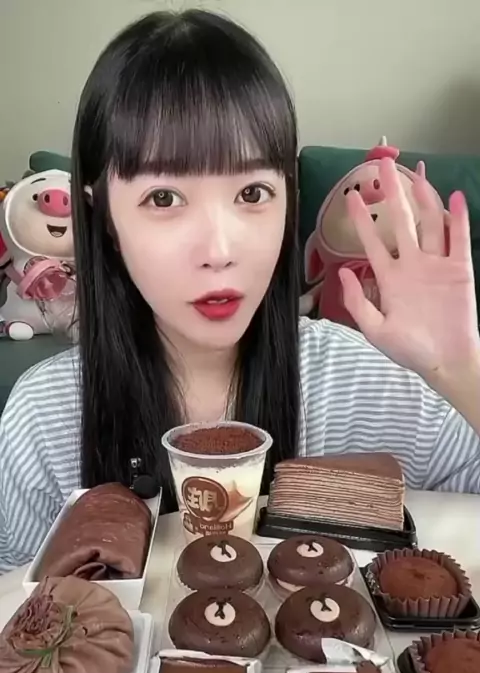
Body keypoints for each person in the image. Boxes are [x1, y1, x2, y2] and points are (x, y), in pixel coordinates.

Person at [1, 9, 480, 572]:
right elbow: (19, 600)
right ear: (103, 215)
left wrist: (461, 370)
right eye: (164, 199)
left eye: (252, 193)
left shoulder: (357, 379)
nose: (220, 249)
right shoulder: (45, 417)